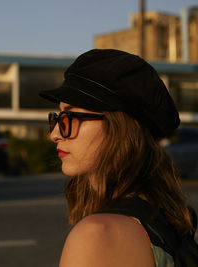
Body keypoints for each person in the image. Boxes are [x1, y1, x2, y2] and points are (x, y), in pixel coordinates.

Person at [39, 49, 196, 267]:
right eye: (56, 118)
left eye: (70, 117)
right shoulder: (164, 217)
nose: (54, 134)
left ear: (123, 127)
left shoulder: (97, 235)